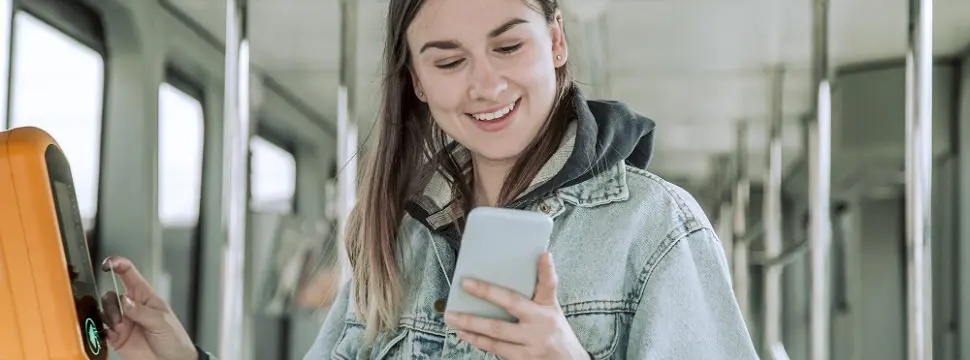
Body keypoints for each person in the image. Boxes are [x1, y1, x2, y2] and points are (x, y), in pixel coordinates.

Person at [101, 0, 758, 358]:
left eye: (509, 46)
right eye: (449, 60)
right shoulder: (393, 238)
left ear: (555, 44)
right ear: (416, 79)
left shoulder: (656, 230)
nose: (486, 84)